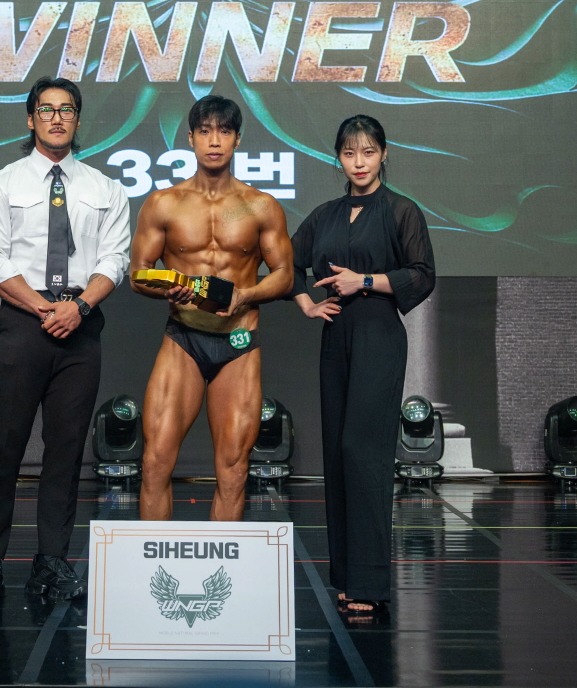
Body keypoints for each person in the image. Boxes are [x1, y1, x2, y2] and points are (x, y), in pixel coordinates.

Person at [0, 77, 130, 605]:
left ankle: (52, 561)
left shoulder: (106, 189)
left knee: (66, 448)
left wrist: (77, 308)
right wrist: (44, 308)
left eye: (66, 109)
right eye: (46, 109)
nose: (57, 118)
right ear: (30, 118)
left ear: (77, 119)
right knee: (4, 445)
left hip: (82, 324)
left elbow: (115, 260)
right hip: (25, 322)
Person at [291, 115, 435, 619]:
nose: (359, 162)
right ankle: (347, 577)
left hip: (378, 335)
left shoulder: (401, 211)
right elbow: (285, 261)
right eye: (350, 153)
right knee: (337, 453)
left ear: (383, 154)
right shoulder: (325, 215)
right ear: (338, 158)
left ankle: (370, 583)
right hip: (336, 336)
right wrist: (306, 303)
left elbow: (423, 275)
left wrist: (365, 281)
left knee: (363, 451)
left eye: (368, 152)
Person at [131, 95, 293, 522]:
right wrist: (164, 289)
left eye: (224, 131)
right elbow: (138, 273)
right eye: (205, 131)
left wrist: (245, 295)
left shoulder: (261, 206)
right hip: (183, 338)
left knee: (234, 469)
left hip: (238, 342)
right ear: (190, 138)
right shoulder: (164, 203)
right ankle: (154, 561)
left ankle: (223, 564)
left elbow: (284, 275)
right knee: (155, 461)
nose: (214, 141)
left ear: (237, 139)